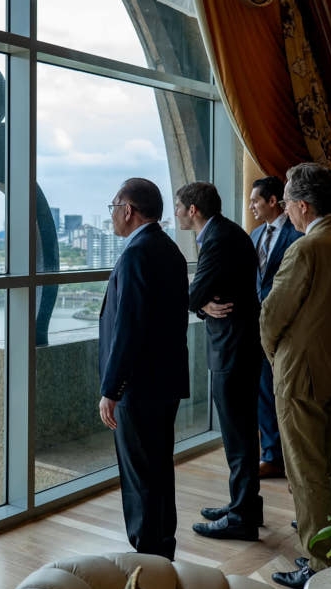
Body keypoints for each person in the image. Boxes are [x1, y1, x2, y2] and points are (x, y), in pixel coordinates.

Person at [260, 162, 331, 589]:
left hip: (301, 377)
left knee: (306, 473)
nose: (284, 209)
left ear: (303, 205)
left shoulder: (306, 248)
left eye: (286, 201)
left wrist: (276, 358)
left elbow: (271, 315)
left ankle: (320, 564)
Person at [99, 177, 190, 559]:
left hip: (139, 386)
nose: (112, 216)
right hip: (164, 382)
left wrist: (111, 388)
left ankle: (146, 553)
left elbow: (129, 327)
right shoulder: (168, 248)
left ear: (128, 209)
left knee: (140, 477)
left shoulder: (137, 253)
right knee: (157, 470)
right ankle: (161, 549)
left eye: (113, 207)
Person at [176, 181, 262, 541]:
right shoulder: (227, 233)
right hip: (237, 342)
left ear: (193, 210)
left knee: (237, 432)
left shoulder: (217, 240)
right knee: (239, 430)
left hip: (232, 346)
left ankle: (241, 516)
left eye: (179, 207)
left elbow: (192, 292)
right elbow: (204, 293)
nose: (176, 213)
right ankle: (245, 505)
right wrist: (203, 303)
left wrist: (199, 301)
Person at [248, 176, 302, 478]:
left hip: (287, 327)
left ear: (273, 201)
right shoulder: (255, 235)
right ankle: (271, 454)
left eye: (256, 200)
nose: (252, 206)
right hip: (257, 326)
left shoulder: (297, 234)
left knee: (284, 392)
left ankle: (291, 457)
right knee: (263, 392)